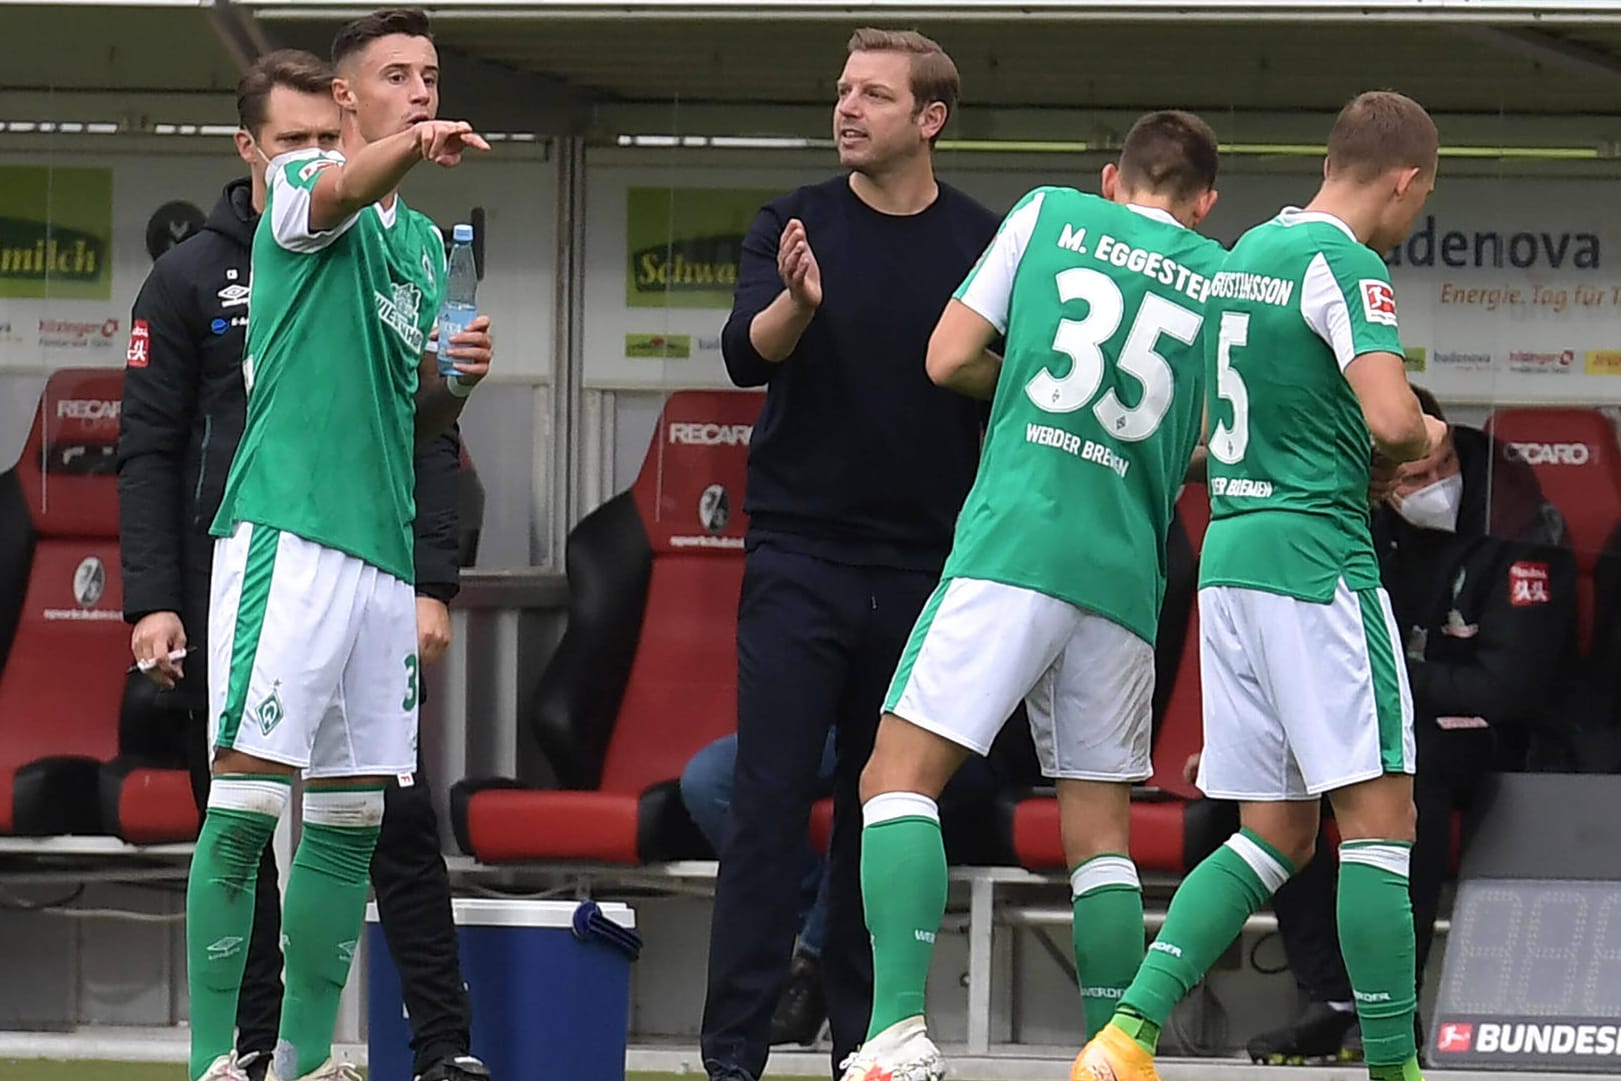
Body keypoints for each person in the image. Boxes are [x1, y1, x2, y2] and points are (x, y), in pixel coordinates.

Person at [117, 48, 490, 1081]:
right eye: (397, 76)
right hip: (286, 533)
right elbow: (146, 443)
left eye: (430, 76)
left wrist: (450, 384)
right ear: (343, 97)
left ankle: (310, 1059)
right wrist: (153, 596)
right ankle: (214, 1063)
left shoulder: (418, 243)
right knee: (241, 804)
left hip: (378, 554)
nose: (421, 91)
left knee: (352, 817)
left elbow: (412, 414)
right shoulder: (293, 189)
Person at [836, 111, 1226, 1081]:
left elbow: (947, 357)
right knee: (1098, 834)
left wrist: (1028, 392)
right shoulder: (1222, 282)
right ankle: (1113, 1051)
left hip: (1016, 540)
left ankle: (892, 1035)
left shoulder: (1049, 213)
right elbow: (1206, 443)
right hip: (1126, 572)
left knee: (895, 778)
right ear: (1204, 201)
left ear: (1111, 178)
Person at [1075, 89, 1449, 1081]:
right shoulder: (1344, 265)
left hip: (1233, 562)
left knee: (1276, 830)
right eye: (1419, 200)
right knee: (1380, 821)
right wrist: (1424, 437)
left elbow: (1208, 440)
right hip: (1316, 565)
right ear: (1405, 179)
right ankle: (1392, 1067)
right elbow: (1392, 421)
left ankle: (1126, 1032)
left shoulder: (1240, 261)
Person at [702, 26, 1000, 1081]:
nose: (847, 109)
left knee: (887, 812)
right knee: (768, 807)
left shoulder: (982, 240)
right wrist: (797, 302)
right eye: (842, 91)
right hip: (798, 556)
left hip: (925, 568)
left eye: (873, 95)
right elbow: (744, 356)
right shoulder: (794, 220)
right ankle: (730, 1053)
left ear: (929, 119)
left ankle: (867, 1046)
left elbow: (1009, 391)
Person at [1244, 388, 1576, 1065]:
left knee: (1405, 791)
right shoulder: (1349, 523)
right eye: (1410, 475)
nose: (1430, 483)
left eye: (1441, 463)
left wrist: (1380, 674)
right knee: (1268, 790)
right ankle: (1331, 998)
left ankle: (1389, 1005)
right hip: (1385, 720)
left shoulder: (1517, 522)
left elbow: (1507, 688)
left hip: (1497, 740)